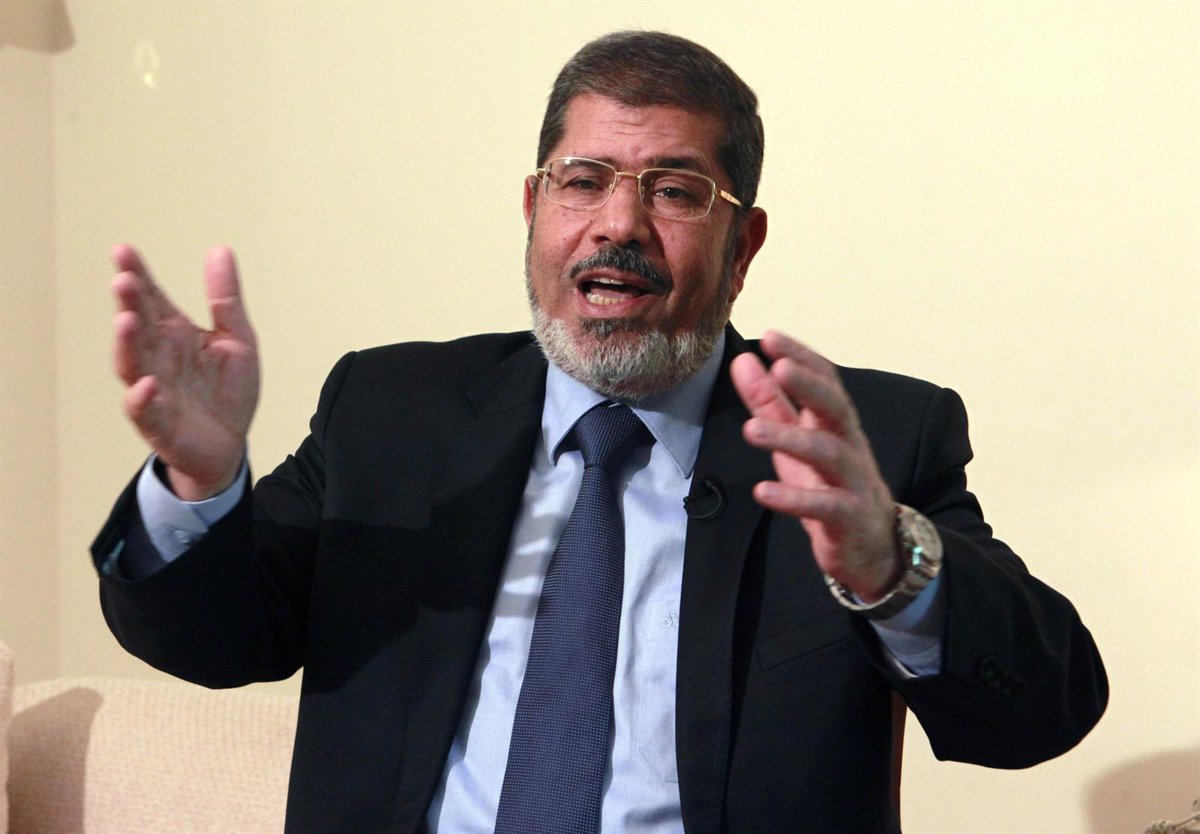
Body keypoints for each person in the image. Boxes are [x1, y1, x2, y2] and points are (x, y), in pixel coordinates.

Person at [93, 31, 1107, 834]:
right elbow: (214, 641)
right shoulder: (394, 412)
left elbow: (1038, 713)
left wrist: (892, 566)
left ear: (743, 244)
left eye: (675, 190)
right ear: (534, 208)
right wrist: (198, 481)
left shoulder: (853, 444)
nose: (619, 224)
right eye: (583, 180)